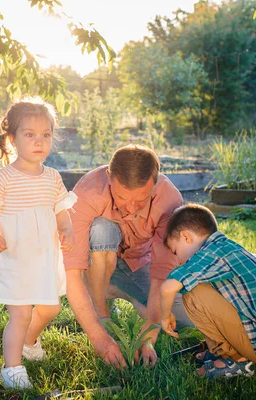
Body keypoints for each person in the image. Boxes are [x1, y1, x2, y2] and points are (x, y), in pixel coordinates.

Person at [0, 98, 76, 389]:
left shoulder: (52, 177)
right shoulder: (4, 177)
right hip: (14, 255)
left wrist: (66, 229)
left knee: (51, 308)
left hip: (43, 255)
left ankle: (30, 341)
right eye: (30, 134)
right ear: (13, 139)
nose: (39, 141)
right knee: (21, 313)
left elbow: (61, 210)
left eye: (46, 135)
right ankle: (12, 368)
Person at [63, 144, 190, 368]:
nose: (131, 208)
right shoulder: (87, 193)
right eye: (122, 197)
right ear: (109, 177)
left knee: (182, 322)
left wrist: (150, 330)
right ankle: (102, 310)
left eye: (141, 200)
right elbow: (71, 273)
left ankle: (116, 290)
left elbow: (163, 271)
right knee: (102, 228)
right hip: (94, 262)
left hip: (139, 264)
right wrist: (101, 339)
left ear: (156, 182)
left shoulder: (169, 199)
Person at [159, 203, 256, 378]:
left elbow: (168, 288)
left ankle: (236, 359)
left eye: (175, 252)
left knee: (191, 292)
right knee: (197, 285)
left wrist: (165, 317)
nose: (178, 261)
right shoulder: (226, 248)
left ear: (186, 237)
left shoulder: (211, 253)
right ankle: (227, 350)